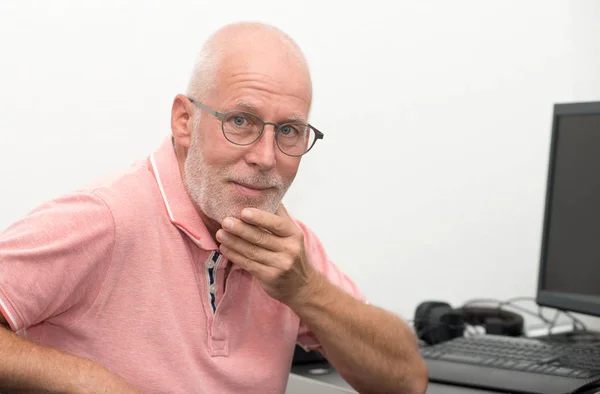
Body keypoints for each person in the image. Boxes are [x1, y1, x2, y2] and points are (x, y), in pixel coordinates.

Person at [0, 22, 427, 394]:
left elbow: (406, 381)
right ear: (185, 121)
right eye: (241, 121)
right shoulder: (103, 218)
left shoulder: (285, 245)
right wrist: (87, 381)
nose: (265, 156)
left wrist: (306, 290)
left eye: (290, 131)